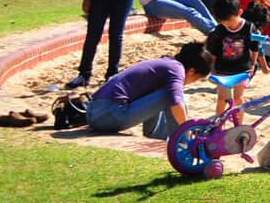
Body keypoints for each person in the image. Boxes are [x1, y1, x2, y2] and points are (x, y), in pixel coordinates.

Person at [85, 44, 213, 136]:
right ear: (191, 71)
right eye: (196, 79)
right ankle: (181, 141)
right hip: (108, 114)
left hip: (94, 112)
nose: (192, 83)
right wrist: (187, 128)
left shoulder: (166, 63)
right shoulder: (177, 69)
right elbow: (176, 101)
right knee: (170, 95)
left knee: (162, 92)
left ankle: (159, 137)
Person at [204, 1, 257, 114]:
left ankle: (239, 127)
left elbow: (255, 47)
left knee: (238, 99)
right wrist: (212, 67)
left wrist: (253, 64)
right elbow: (214, 49)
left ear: (239, 12)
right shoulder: (220, 29)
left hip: (242, 70)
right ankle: (217, 126)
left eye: (229, 20)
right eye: (223, 22)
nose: (226, 24)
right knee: (222, 100)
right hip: (222, 69)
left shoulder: (248, 27)